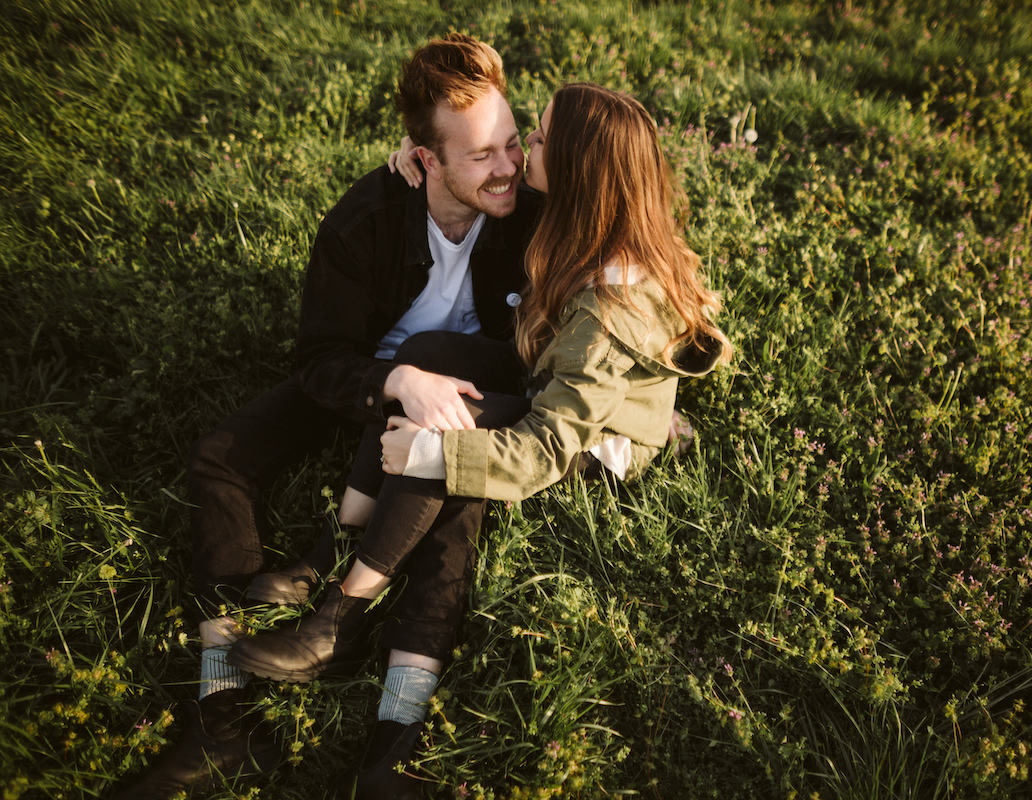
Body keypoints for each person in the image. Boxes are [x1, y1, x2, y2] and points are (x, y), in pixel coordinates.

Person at [226, 82, 731, 797]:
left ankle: (346, 619)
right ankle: (330, 549)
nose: (523, 148)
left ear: (581, 170)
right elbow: (472, 169)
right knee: (434, 359)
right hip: (550, 380)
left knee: (459, 449)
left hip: (588, 440)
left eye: (540, 138)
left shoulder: (613, 305)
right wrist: (424, 161)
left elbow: (546, 452)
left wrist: (427, 454)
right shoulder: (581, 213)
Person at [114, 33, 541, 800]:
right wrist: (397, 379)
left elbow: (638, 259)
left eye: (511, 143)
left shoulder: (532, 209)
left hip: (468, 398)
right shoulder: (363, 221)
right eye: (480, 155)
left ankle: (392, 749)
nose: (506, 166)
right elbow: (317, 360)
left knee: (454, 502)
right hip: (372, 384)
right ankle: (223, 716)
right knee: (218, 455)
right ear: (424, 158)